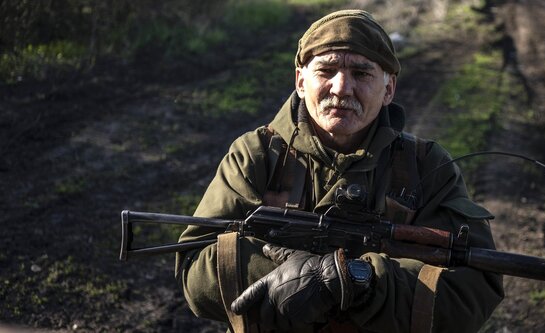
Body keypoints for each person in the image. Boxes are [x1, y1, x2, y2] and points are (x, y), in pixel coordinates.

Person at [176, 9, 503, 333]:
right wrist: (294, 279)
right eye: (327, 70)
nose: (342, 88)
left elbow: (472, 289)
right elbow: (195, 267)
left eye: (362, 74)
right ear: (301, 82)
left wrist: (361, 281)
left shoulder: (427, 165)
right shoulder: (256, 155)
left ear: (388, 89)